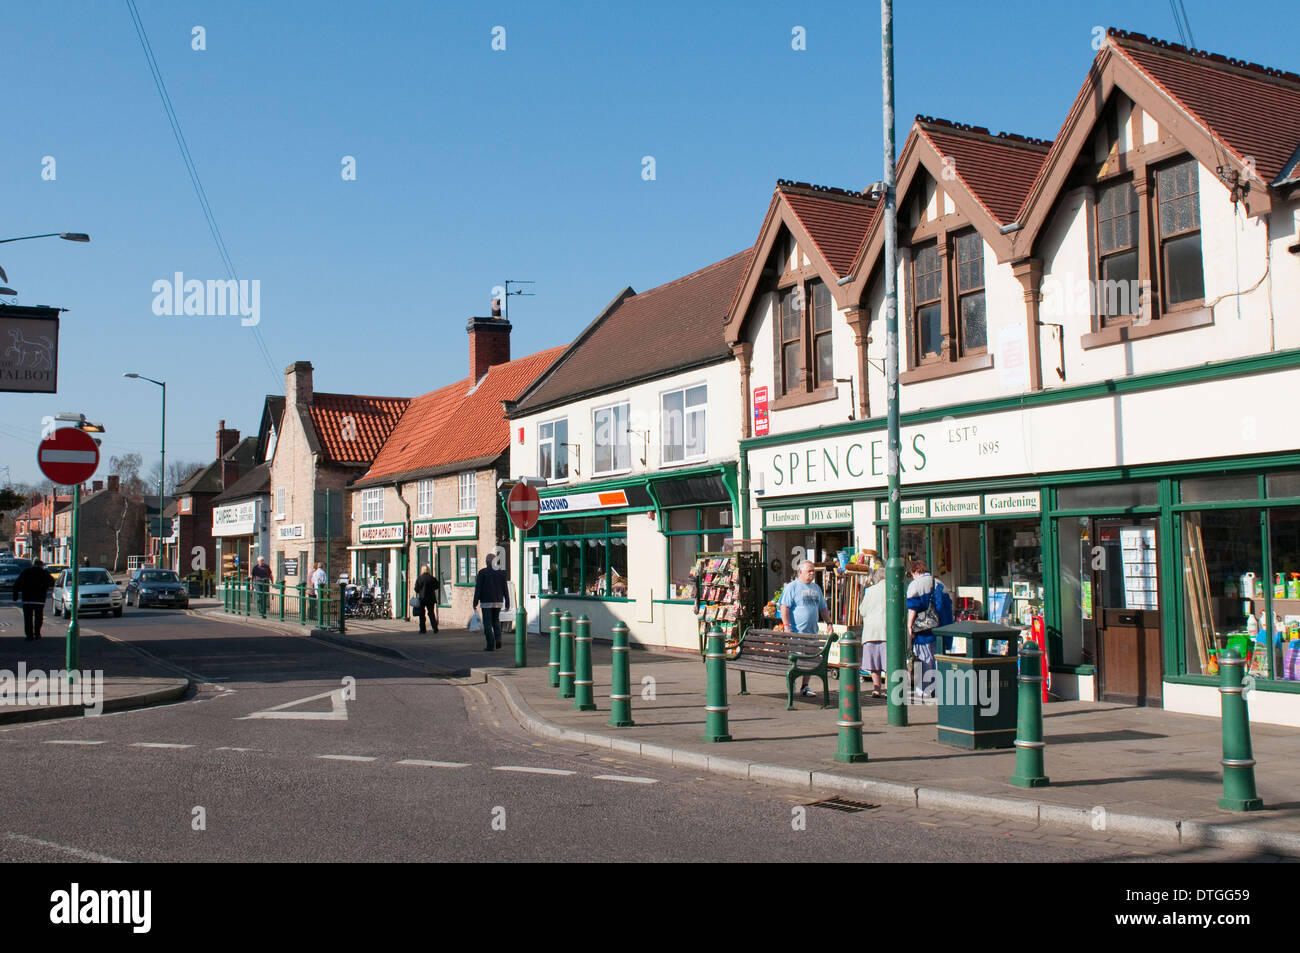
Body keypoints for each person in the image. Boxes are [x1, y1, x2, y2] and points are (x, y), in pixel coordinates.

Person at [778, 559, 831, 698]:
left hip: (812, 632)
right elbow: (784, 607)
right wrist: (787, 626)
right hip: (797, 632)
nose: (812, 573)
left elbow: (823, 608)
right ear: (800, 572)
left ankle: (805, 686)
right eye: (809, 571)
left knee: (809, 661)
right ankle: (792, 683)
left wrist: (829, 623)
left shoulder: (816, 588)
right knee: (796, 661)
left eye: (813, 571)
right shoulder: (793, 587)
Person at [905, 559, 941, 698]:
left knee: (924, 659)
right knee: (937, 658)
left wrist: (909, 625)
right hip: (939, 627)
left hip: (922, 630)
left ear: (915, 571)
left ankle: (924, 690)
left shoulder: (915, 585)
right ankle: (939, 688)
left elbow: (913, 608)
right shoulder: (938, 582)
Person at [858, 567, 888, 698]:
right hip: (887, 632)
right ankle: (888, 688)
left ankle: (877, 689)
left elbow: (862, 611)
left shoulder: (869, 591)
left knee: (874, 663)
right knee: (889, 664)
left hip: (871, 631)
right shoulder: (893, 589)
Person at [472, 554, 510, 651]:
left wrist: (475, 601)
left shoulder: (482, 573)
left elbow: (478, 589)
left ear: (487, 562)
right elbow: (505, 589)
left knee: (488, 623)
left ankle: (490, 644)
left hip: (486, 602)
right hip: (498, 601)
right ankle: (498, 639)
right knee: (496, 621)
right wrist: (507, 602)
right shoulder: (501, 573)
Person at [13, 558, 56, 640]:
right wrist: (45, 586)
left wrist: (15, 596)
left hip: (27, 599)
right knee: (38, 617)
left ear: (33, 564)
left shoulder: (26, 572)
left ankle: (29, 635)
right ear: (41, 565)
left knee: (28, 618)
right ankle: (37, 633)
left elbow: (17, 584)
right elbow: (52, 582)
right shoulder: (44, 573)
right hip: (39, 599)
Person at [413, 564, 440, 634]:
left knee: (422, 614)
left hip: (422, 599)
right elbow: (437, 586)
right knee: (431, 613)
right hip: (431, 598)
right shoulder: (432, 578)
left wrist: (420, 590)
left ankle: (422, 629)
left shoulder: (420, 578)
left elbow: (416, 589)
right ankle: (435, 628)